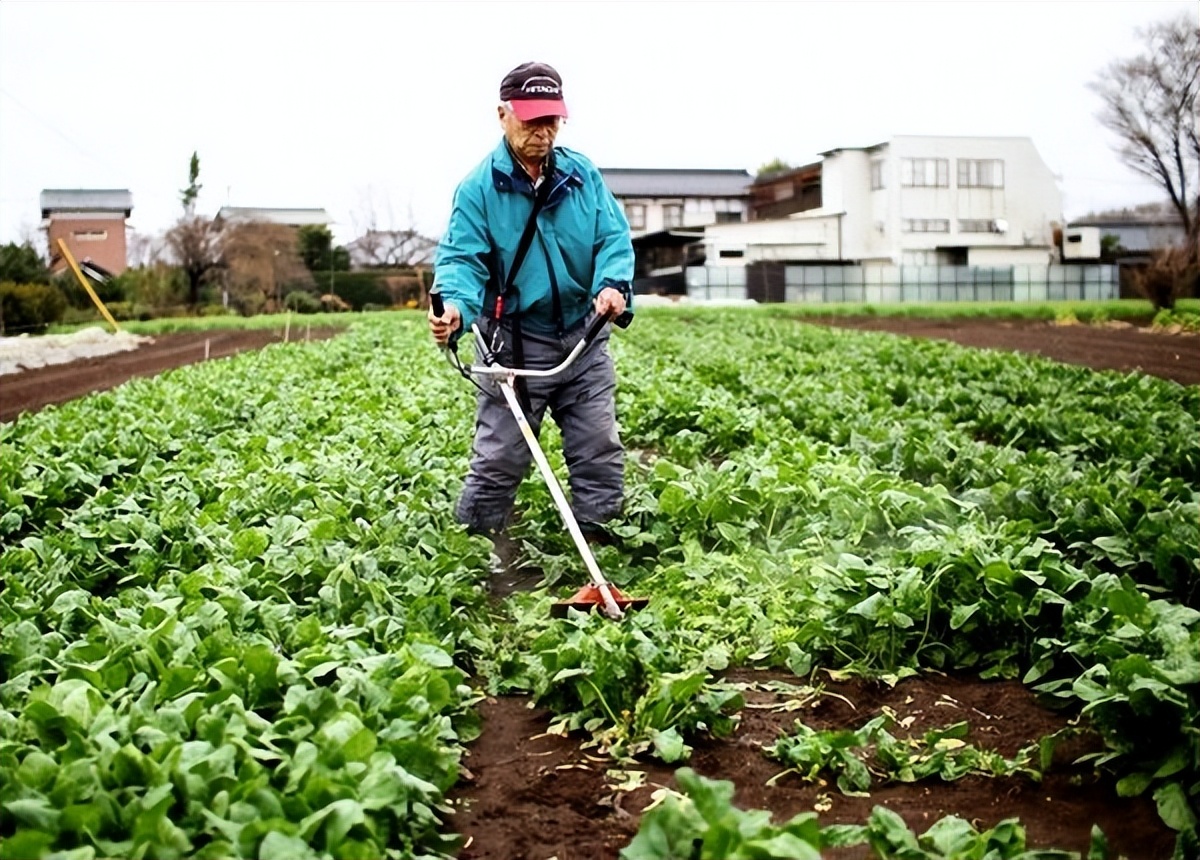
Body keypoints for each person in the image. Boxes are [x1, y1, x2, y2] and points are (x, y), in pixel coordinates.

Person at [428, 61, 635, 542]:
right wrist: (455, 308)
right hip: (514, 346)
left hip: (583, 338)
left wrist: (612, 285)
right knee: (501, 456)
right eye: (531, 120)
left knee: (597, 445)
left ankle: (601, 540)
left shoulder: (581, 175)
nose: (542, 132)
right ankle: (473, 555)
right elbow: (461, 258)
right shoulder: (479, 189)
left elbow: (612, 237)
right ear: (503, 115)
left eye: (551, 120)